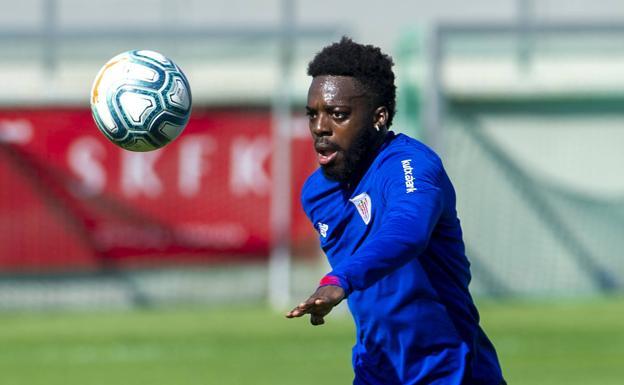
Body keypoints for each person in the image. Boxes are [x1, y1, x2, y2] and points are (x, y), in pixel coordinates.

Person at [285, 37, 506, 385]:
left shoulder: (411, 166)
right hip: (377, 370)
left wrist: (340, 280)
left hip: (450, 371)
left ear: (379, 117)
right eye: (313, 114)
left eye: (338, 114)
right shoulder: (317, 192)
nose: (320, 128)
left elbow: (406, 230)